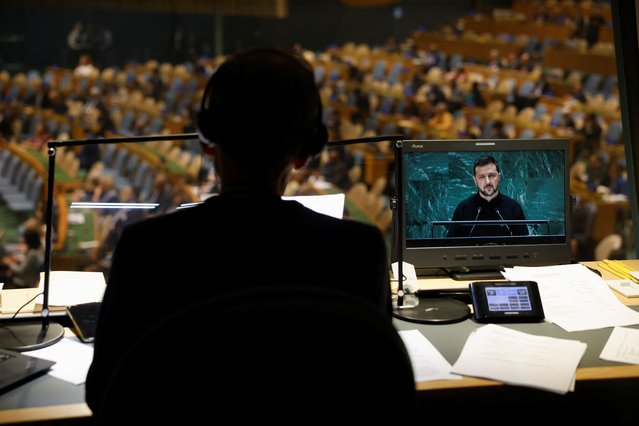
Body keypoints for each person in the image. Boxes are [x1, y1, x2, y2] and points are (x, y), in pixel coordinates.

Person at [85, 47, 392, 414]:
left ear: (206, 142)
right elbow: (379, 389)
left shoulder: (146, 248)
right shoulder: (360, 251)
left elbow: (105, 392)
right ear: (304, 153)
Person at [447, 155, 528, 238]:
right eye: (482, 177)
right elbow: (451, 245)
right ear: (475, 181)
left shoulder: (513, 208)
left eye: (491, 175)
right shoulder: (463, 209)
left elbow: (524, 245)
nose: (488, 181)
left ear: (499, 177)